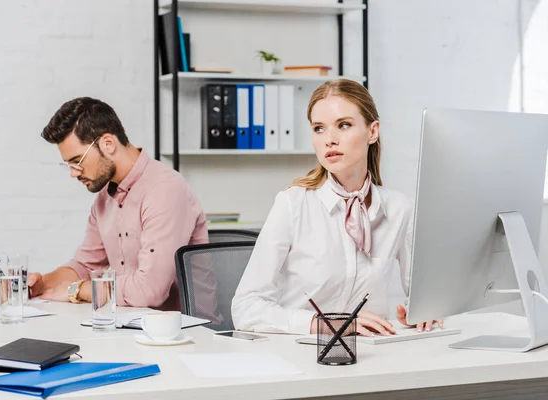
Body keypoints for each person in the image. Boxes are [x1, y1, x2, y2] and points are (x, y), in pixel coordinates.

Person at [231, 79, 442, 336]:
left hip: (373, 354)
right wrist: (325, 324)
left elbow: (425, 299)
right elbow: (245, 308)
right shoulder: (293, 204)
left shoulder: (399, 209)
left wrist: (419, 315)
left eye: (343, 125)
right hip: (302, 354)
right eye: (319, 129)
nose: (330, 140)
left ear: (372, 131)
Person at [27, 97, 208, 309]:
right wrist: (43, 284)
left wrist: (78, 290)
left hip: (186, 331)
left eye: (77, 161)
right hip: (132, 325)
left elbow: (150, 291)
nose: (73, 173)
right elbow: (85, 265)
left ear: (108, 144)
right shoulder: (104, 199)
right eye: (68, 165)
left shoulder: (165, 189)